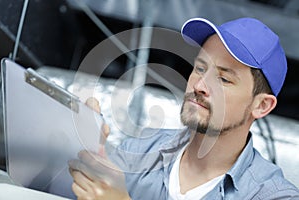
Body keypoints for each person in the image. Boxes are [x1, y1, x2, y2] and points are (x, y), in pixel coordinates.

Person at [69, 17, 299, 199]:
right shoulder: (139, 153)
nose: (199, 85)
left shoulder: (273, 195)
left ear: (261, 105)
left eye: (223, 79)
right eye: (200, 68)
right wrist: (84, 149)